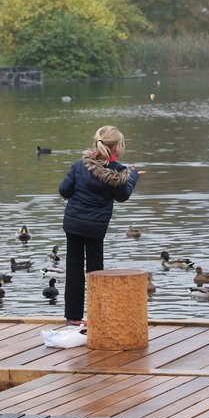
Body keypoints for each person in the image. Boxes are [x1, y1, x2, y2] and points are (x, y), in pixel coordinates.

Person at [58, 126, 140, 327]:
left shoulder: (80, 165)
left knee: (74, 269)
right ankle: (98, 316)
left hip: (74, 224)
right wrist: (134, 175)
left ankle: (73, 318)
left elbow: (63, 190)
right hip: (95, 229)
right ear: (117, 148)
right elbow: (122, 196)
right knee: (95, 271)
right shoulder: (118, 171)